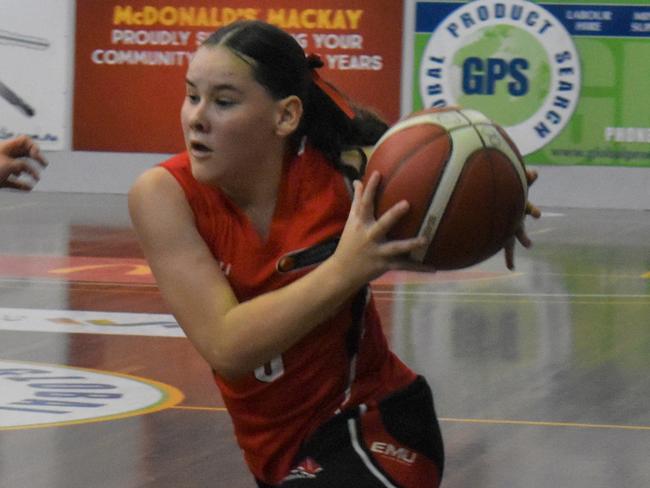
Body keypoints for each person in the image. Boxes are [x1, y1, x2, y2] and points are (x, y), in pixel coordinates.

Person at [129, 20, 539, 487]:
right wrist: (347, 268)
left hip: (376, 423)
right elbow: (228, 346)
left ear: (285, 116)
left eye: (223, 101)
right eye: (191, 95)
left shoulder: (348, 179)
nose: (196, 117)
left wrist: (490, 204)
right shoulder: (164, 195)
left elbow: (447, 179)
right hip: (279, 456)